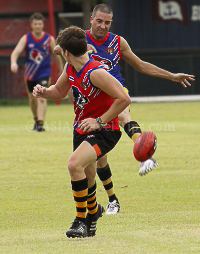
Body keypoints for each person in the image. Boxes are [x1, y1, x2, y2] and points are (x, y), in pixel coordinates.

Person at [54, 4, 195, 215]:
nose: (102, 25)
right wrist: (82, 50)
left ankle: (144, 154)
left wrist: (172, 76)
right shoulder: (80, 38)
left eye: (107, 22)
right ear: (91, 19)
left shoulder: (117, 42)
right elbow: (58, 48)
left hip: (115, 93)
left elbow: (141, 65)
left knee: (122, 112)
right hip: (90, 103)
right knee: (97, 160)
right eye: (99, 21)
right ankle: (111, 200)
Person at [32, 26, 131, 238]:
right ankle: (94, 214)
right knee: (87, 177)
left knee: (74, 164)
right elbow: (58, 91)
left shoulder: (95, 72)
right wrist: (44, 91)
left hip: (105, 130)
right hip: (81, 128)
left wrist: (99, 121)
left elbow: (124, 99)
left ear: (66, 52)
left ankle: (80, 221)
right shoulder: (70, 68)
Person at [10, 12, 63, 131]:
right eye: (35, 24)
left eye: (40, 24)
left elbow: (57, 56)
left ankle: (40, 124)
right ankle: (36, 119)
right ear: (31, 25)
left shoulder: (49, 39)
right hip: (29, 74)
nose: (38, 26)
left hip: (44, 73)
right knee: (32, 99)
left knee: (42, 96)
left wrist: (61, 70)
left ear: (43, 25)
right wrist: (13, 63)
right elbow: (16, 52)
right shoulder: (26, 38)